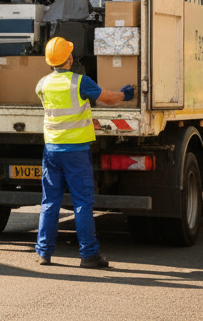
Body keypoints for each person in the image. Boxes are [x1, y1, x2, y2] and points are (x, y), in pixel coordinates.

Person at [34, 36, 134, 269]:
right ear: (69, 58)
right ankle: (89, 255)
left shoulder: (42, 84)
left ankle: (44, 253)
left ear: (50, 61)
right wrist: (124, 94)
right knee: (82, 203)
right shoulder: (80, 82)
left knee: (49, 202)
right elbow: (107, 99)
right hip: (76, 152)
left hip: (51, 150)